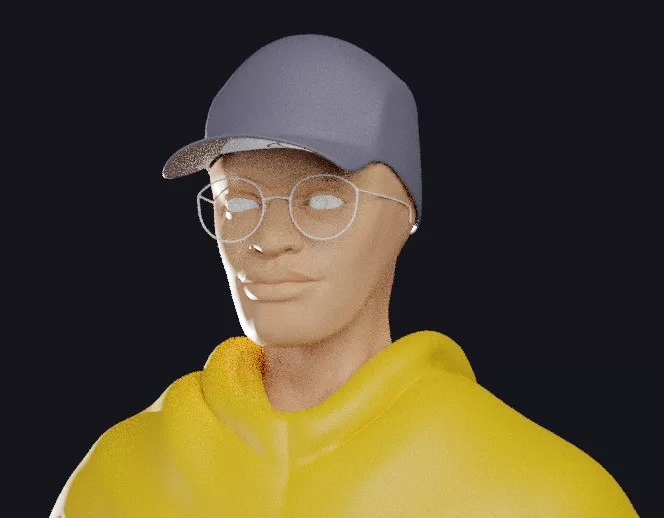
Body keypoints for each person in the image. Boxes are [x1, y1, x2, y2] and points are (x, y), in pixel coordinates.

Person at [51, 34, 638, 517]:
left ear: (405, 214)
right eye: (238, 202)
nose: (268, 239)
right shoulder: (119, 473)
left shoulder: (546, 495)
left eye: (324, 201)